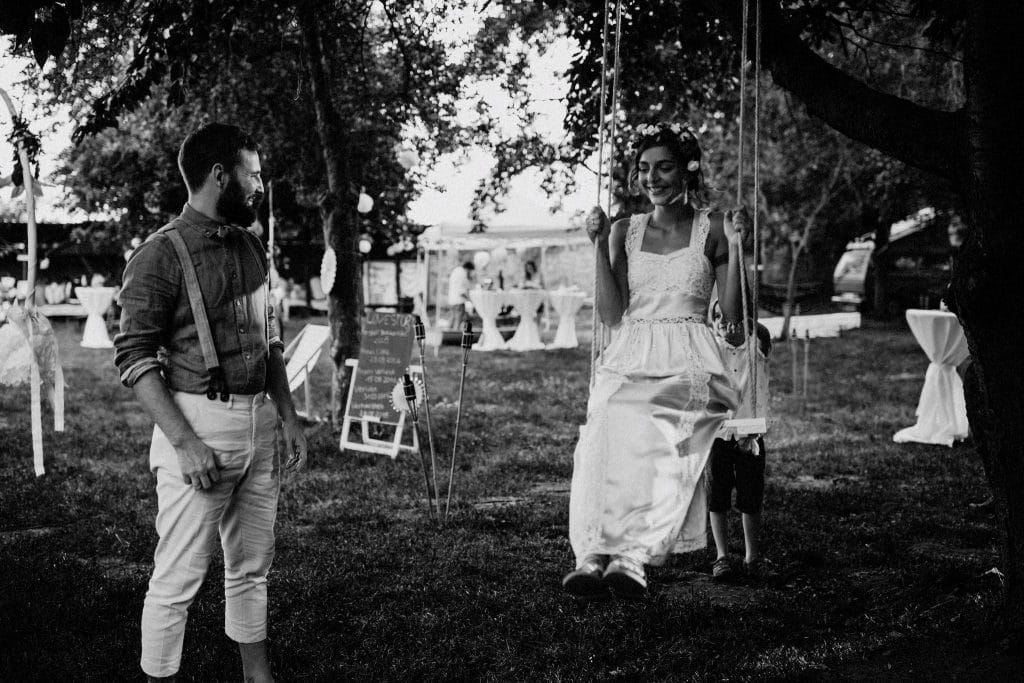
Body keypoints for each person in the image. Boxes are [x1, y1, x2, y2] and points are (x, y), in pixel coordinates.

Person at [114, 122, 308, 682]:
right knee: (178, 577)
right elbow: (133, 359)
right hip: (198, 426)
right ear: (220, 175)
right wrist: (185, 444)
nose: (260, 185)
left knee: (252, 567)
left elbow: (270, 338)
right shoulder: (159, 253)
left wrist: (289, 417)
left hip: (260, 424)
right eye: (253, 173)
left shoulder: (251, 246)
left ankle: (257, 675)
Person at [563, 122, 747, 598]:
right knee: (604, 424)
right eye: (644, 169)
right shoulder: (625, 229)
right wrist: (597, 248)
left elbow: (734, 319)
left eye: (664, 166)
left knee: (651, 428)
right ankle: (592, 555)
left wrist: (740, 248)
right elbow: (610, 313)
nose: (653, 178)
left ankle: (632, 557)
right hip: (632, 349)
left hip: (692, 356)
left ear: (688, 168)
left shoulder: (715, 226)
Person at [707, 303, 772, 582]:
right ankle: (722, 556)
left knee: (751, 495)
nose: (724, 322)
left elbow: (763, 332)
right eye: (718, 317)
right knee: (717, 496)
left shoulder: (757, 346)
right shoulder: (711, 348)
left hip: (750, 433)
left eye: (729, 315)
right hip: (718, 433)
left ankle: (752, 557)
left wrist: (746, 321)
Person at [447, 260, 476, 330]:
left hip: (451, 300)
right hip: (458, 301)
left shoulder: (456, 270)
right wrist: (471, 300)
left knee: (452, 319)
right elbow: (461, 291)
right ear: (468, 269)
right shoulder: (462, 274)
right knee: (457, 320)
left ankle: (447, 335)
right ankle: (453, 336)